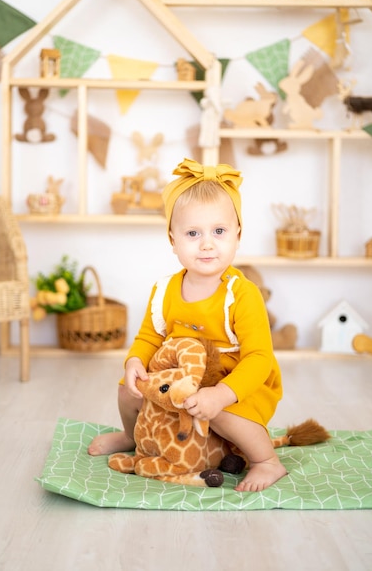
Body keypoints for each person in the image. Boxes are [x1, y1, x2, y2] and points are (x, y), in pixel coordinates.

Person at [88, 158, 286, 492]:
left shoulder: (241, 294)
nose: (207, 243)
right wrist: (135, 360)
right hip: (180, 377)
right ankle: (131, 435)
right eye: (193, 233)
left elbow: (258, 359)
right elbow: (150, 336)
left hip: (232, 381)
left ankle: (267, 461)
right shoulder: (165, 289)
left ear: (238, 234)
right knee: (128, 387)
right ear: (173, 239)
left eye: (219, 231)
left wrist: (220, 394)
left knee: (219, 414)